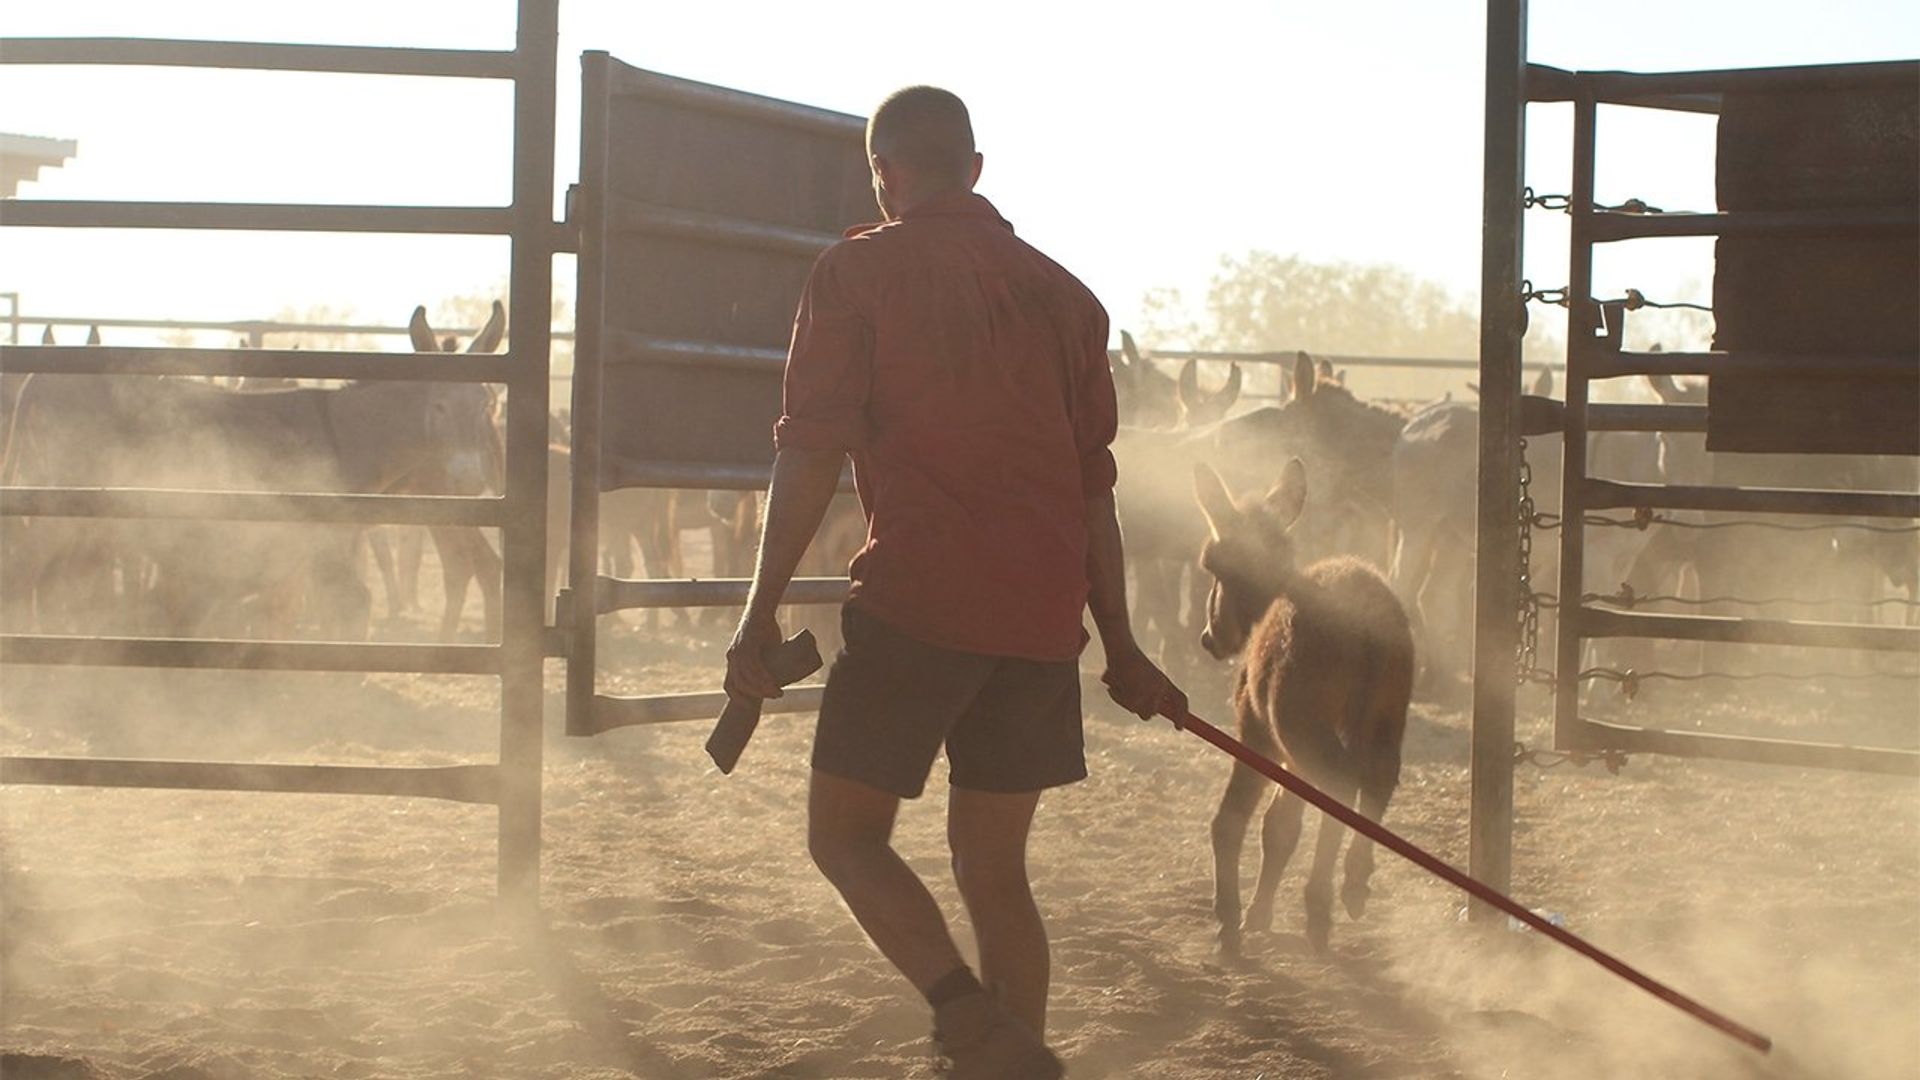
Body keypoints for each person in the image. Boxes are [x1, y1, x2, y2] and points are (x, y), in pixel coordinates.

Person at [725, 85, 1185, 1079]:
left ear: (882, 173)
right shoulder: (1069, 299)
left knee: (845, 839)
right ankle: (1009, 1052)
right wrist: (1122, 644)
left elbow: (810, 450)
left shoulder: (855, 273)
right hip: (1040, 623)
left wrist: (758, 611)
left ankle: (969, 1024)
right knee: (994, 869)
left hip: (918, 603)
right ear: (976, 170)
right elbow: (1092, 490)